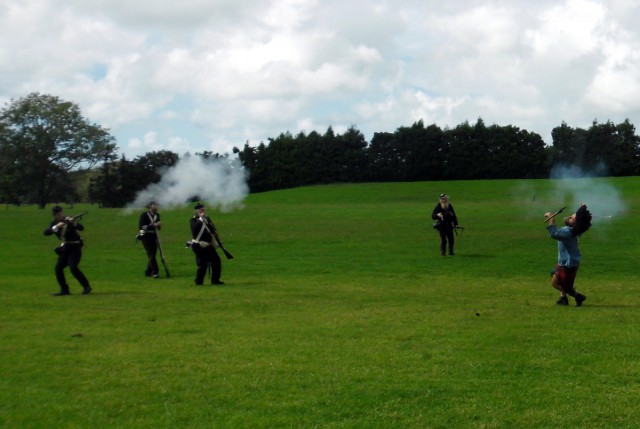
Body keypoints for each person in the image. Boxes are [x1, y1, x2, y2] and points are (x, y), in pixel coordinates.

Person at [545, 204, 592, 306]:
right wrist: (581, 209)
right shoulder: (576, 230)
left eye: (571, 218)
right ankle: (563, 298)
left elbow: (554, 233)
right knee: (555, 274)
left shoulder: (567, 232)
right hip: (571, 262)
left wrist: (551, 217)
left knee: (557, 284)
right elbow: (579, 222)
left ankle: (577, 296)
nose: (569, 217)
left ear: (574, 224)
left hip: (567, 264)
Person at [43, 206, 92, 296]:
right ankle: (64, 290)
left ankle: (86, 287)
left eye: (61, 213)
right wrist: (57, 227)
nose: (60, 215)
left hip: (75, 246)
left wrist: (73, 223)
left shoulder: (68, 220)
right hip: (66, 247)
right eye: (58, 214)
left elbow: (81, 228)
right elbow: (46, 233)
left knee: (73, 267)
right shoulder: (54, 223)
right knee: (58, 268)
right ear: (54, 215)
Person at [189, 203, 224, 286]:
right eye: (201, 210)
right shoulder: (193, 220)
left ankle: (215, 280)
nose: (203, 211)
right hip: (198, 245)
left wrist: (218, 240)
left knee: (216, 261)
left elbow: (213, 230)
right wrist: (201, 219)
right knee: (203, 264)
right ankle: (198, 281)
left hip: (208, 245)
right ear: (196, 211)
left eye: (203, 210)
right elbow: (194, 229)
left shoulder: (207, 219)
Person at [138, 201, 162, 278]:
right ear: (150, 206)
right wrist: (153, 225)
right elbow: (142, 227)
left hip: (154, 236)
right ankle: (155, 272)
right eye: (154, 205)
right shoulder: (144, 215)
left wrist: (158, 225)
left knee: (153, 255)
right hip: (146, 236)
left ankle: (148, 272)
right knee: (151, 255)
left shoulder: (157, 215)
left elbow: (158, 228)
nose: (156, 207)